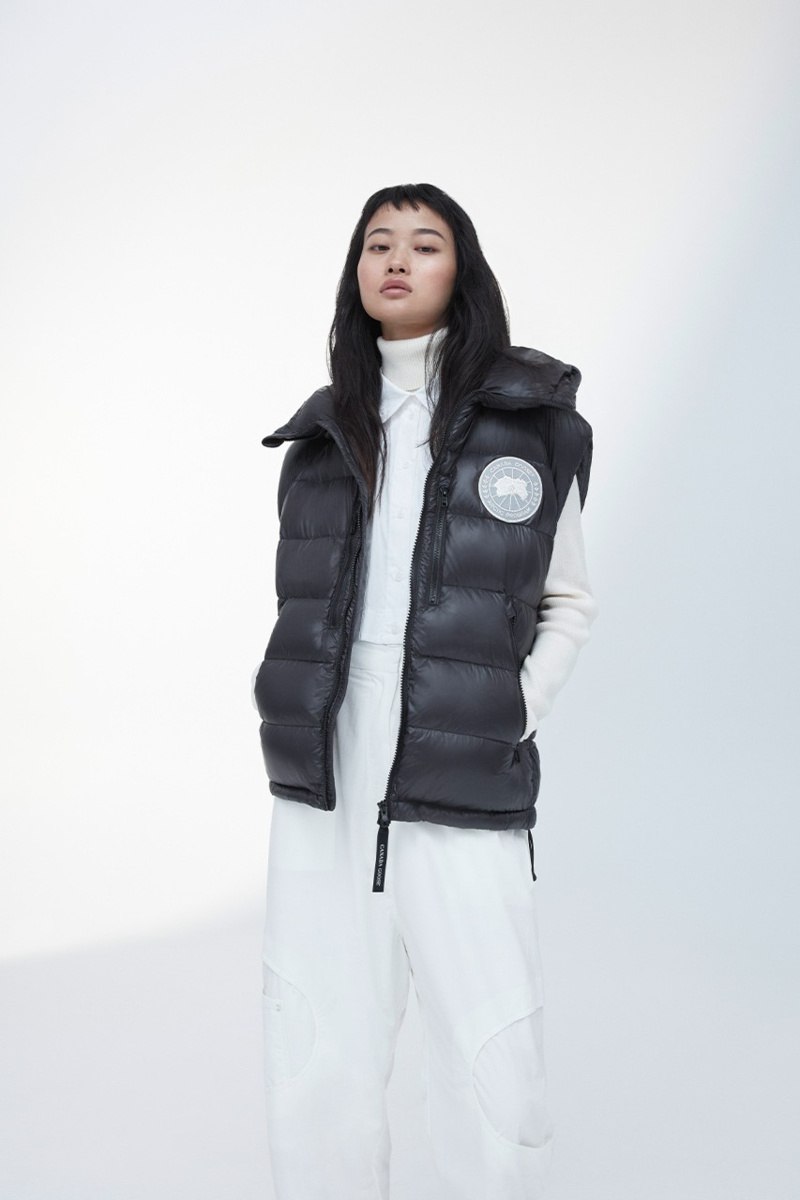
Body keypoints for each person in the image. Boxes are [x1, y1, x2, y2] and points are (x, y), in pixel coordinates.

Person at [252, 183, 598, 1200]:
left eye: (424, 243)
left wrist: (512, 708)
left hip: (463, 750)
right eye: (377, 244)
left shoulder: (531, 422)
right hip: (327, 759)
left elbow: (569, 598)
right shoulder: (321, 435)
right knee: (315, 1031)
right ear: (355, 273)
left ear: (462, 270)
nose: (396, 260)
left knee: (489, 1036)